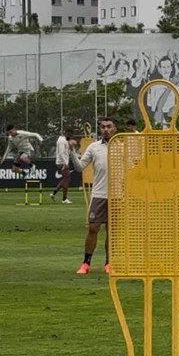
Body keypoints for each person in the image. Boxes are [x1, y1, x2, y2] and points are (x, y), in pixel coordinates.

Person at [70, 117, 115, 275]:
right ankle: (86, 263)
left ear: (114, 128)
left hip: (117, 195)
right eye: (103, 127)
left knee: (112, 231)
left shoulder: (122, 146)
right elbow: (80, 167)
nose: (106, 129)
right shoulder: (94, 147)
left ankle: (109, 263)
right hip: (99, 194)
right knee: (93, 228)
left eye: (109, 126)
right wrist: (72, 152)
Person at [51, 128, 74, 204]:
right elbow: (61, 153)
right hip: (62, 163)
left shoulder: (65, 141)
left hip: (62, 162)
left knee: (65, 179)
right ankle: (64, 198)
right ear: (67, 134)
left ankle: (54, 193)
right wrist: (65, 163)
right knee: (66, 179)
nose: (71, 137)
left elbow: (67, 153)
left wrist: (71, 148)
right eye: (70, 136)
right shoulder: (62, 141)